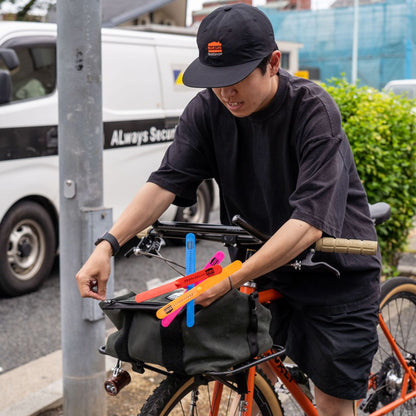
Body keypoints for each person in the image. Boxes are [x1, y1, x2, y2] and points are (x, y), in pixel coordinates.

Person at [76, 4, 381, 416]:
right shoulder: (208, 109)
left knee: (330, 403)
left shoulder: (312, 110)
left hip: (333, 273)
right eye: (215, 81)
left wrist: (228, 281)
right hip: (260, 267)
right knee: (248, 375)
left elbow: (309, 223)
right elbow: (166, 181)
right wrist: (107, 245)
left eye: (235, 79)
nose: (225, 93)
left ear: (272, 63)